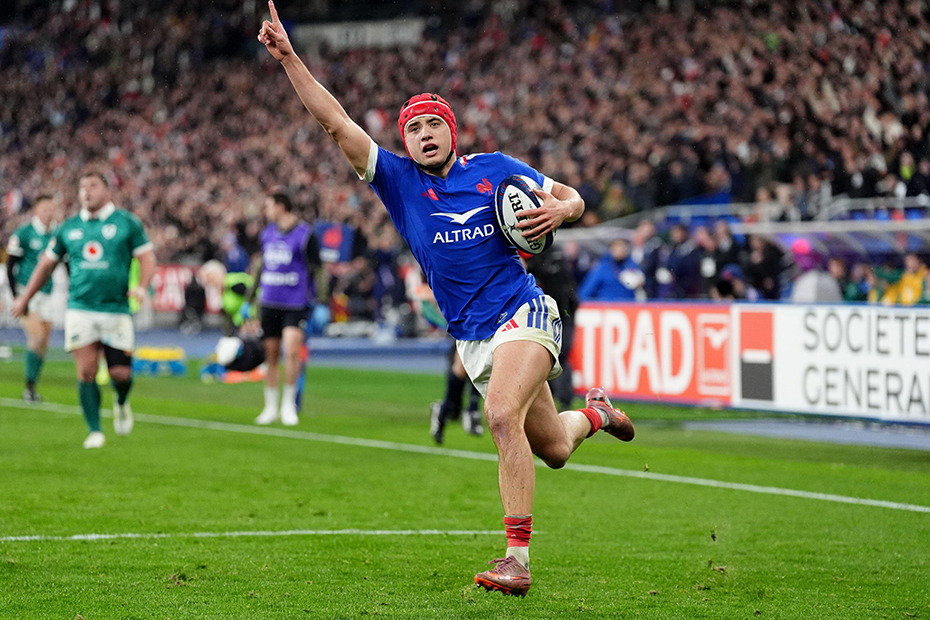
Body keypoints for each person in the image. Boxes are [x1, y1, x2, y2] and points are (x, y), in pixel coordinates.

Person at [258, 1, 635, 596]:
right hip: (473, 335)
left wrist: (564, 207)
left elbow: (571, 198)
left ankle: (517, 560)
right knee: (556, 449)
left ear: (451, 131)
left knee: (500, 415)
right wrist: (290, 60)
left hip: (524, 312)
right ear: (403, 141)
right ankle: (598, 413)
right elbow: (335, 122)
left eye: (434, 124)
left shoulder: (496, 170)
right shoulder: (397, 181)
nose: (424, 134)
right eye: (413, 127)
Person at [12, 172, 156, 449]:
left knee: (120, 375)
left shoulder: (126, 223)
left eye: (93, 186)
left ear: (107, 190)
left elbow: (147, 258)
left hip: (116, 309)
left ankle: (122, 402)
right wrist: (25, 298)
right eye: (82, 187)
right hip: (80, 309)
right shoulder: (68, 228)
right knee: (86, 370)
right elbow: (45, 265)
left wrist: (142, 285)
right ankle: (94, 430)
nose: (86, 192)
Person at [249, 191, 321, 426]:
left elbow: (318, 269)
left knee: (291, 351)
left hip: (295, 302)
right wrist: (250, 299)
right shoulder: (266, 234)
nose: (266, 211)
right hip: (269, 300)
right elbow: (261, 267)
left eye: (269, 206)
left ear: (282, 206)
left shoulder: (305, 234)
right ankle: (270, 406)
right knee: (270, 355)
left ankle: (288, 405)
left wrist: (321, 300)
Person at [6, 195, 59, 402]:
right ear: (36, 210)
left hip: (47, 294)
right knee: (36, 338)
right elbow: (11, 266)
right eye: (46, 209)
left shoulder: (57, 233)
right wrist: (16, 297)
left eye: (52, 209)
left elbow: (65, 262)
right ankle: (28, 388)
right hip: (26, 294)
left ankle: (32, 387)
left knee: (44, 343)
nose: (50, 213)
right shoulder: (24, 233)